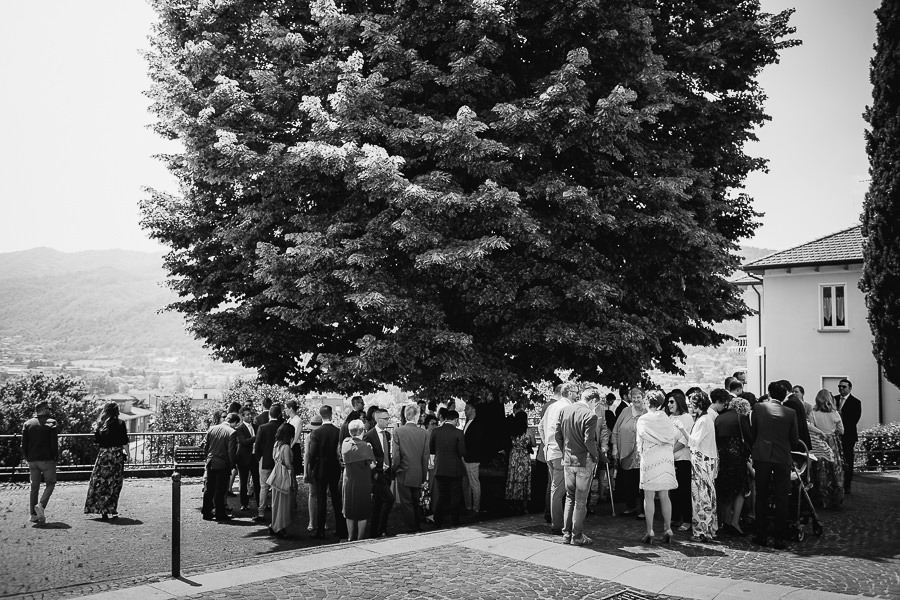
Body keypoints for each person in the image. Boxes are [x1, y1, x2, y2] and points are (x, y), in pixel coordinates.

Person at [749, 382, 799, 549]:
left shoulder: (759, 408)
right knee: (782, 497)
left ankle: (761, 535)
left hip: (762, 455)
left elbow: (753, 432)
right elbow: (794, 439)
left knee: (761, 495)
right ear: (784, 396)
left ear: (769, 393)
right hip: (782, 456)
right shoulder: (790, 413)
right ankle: (779, 538)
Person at [555, 389, 601, 546]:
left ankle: (566, 534)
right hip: (584, 460)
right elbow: (589, 441)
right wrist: (596, 456)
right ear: (593, 401)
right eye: (596, 404)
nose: (595, 407)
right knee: (581, 500)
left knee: (570, 497)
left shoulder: (564, 411)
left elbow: (557, 435)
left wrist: (565, 451)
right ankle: (577, 535)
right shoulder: (590, 415)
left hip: (568, 459)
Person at [674, 390, 718, 542]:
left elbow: (693, 442)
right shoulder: (706, 418)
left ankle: (702, 531)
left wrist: (681, 428)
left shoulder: (703, 420)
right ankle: (709, 528)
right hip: (707, 461)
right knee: (707, 496)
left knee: (700, 497)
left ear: (697, 404)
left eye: (691, 404)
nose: (690, 406)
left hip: (702, 462)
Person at [635, 390, 677, 544]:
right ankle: (668, 528)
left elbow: (640, 439)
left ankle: (650, 530)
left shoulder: (643, 419)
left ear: (647, 402)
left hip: (650, 457)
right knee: (665, 496)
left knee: (649, 496)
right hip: (665, 458)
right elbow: (672, 437)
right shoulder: (667, 419)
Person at [713, 389, 751, 537]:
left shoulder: (719, 418)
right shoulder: (741, 418)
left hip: (723, 458)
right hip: (737, 458)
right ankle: (735, 522)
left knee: (725, 491)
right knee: (740, 491)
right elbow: (749, 438)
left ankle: (725, 522)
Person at [540, 382, 577, 532]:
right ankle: (558, 524)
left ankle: (559, 522)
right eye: (576, 392)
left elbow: (541, 427)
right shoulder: (567, 408)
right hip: (560, 453)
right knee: (559, 490)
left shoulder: (552, 406)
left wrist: (546, 443)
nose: (577, 395)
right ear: (569, 393)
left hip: (550, 452)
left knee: (556, 488)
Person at [307, 405, 348, 539]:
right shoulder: (338, 431)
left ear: (321, 415)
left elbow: (312, 454)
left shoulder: (316, 433)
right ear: (331, 415)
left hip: (320, 469)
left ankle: (320, 530)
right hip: (334, 468)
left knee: (321, 500)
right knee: (336, 499)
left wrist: (313, 467)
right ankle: (341, 528)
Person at [84, 401, 130, 520]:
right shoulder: (120, 423)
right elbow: (124, 441)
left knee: (100, 482)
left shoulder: (100, 424)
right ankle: (110, 508)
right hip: (116, 455)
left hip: (103, 455)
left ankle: (99, 508)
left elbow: (97, 440)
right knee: (114, 482)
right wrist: (128, 453)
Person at [392, 404, 430, 532]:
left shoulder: (398, 431)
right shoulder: (424, 433)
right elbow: (425, 457)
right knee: (416, 501)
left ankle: (412, 528)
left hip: (403, 471)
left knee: (406, 502)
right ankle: (417, 525)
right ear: (417, 416)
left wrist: (395, 469)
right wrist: (423, 475)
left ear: (405, 415)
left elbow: (396, 456)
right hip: (418, 472)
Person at [611, 387, 647, 517]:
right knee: (628, 480)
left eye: (638, 397)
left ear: (643, 397)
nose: (636, 400)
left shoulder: (647, 412)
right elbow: (615, 430)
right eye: (634, 397)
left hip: (643, 453)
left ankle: (643, 510)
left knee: (642, 481)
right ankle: (631, 506)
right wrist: (615, 447)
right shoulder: (625, 411)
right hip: (626, 452)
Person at [22, 401, 58, 524]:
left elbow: (24, 444)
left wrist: (27, 457)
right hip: (47, 459)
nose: (50, 411)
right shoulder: (51, 423)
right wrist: (55, 457)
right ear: (44, 410)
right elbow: (54, 443)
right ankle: (41, 505)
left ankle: (33, 514)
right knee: (51, 483)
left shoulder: (27, 424)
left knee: (34, 487)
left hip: (32, 460)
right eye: (48, 409)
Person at [430, 409, 466, 527]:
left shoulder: (435, 431)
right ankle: (455, 520)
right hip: (455, 469)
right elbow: (462, 452)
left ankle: (438, 519)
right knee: (455, 496)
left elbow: (431, 449)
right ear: (456, 420)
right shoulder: (459, 433)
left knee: (441, 495)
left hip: (440, 467)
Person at [809, 389, 845, 508]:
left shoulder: (813, 413)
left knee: (819, 469)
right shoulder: (835, 413)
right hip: (832, 442)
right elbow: (841, 430)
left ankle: (820, 498)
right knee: (834, 469)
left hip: (819, 442)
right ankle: (835, 498)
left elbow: (811, 427)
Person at [341, 419, 375, 541]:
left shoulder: (345, 443)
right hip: (362, 480)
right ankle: (360, 538)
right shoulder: (366, 446)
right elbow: (372, 465)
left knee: (349, 510)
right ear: (362, 431)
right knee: (362, 511)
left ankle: (350, 537)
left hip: (349, 480)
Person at [202, 412, 239, 521]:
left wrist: (207, 457)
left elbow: (205, 446)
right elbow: (231, 451)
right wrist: (233, 464)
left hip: (211, 461)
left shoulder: (212, 428)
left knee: (209, 488)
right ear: (234, 422)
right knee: (220, 489)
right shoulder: (232, 432)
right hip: (223, 463)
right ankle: (220, 513)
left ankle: (206, 512)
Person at [365, 407, 395, 537]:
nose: (388, 421)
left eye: (388, 418)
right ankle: (380, 529)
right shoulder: (369, 435)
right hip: (377, 474)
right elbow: (368, 456)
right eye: (386, 418)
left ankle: (376, 531)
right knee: (389, 499)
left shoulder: (387, 435)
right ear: (378, 419)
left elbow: (386, 453)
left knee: (379, 503)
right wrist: (376, 470)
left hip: (387, 473)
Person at [254, 403, 284, 524]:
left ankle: (261, 512)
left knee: (264, 487)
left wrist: (259, 458)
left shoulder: (263, 427)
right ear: (279, 414)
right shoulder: (283, 427)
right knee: (278, 488)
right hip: (279, 461)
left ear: (269, 414)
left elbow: (257, 445)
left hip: (265, 460)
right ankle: (277, 512)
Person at [505, 401, 534, 513]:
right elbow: (533, 444)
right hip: (524, 456)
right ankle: (524, 503)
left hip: (514, 455)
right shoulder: (528, 431)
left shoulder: (512, 430)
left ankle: (513, 501)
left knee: (513, 477)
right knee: (524, 479)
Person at [835, 379, 861, 494]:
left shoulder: (855, 402)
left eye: (844, 387)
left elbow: (854, 420)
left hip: (848, 436)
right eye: (839, 386)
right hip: (834, 436)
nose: (841, 388)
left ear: (850, 388)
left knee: (848, 460)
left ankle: (847, 485)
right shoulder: (834, 399)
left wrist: (840, 417)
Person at [269, 422, 295, 538]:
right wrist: (292, 478)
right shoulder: (286, 447)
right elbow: (288, 464)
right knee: (284, 503)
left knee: (276, 502)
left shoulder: (276, 444)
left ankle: (274, 525)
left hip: (276, 474)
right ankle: (280, 527)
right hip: (284, 475)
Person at [462, 401, 486, 515]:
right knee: (467, 483)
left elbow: (476, 443)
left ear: (473, 410)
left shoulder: (477, 424)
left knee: (474, 484)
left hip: (472, 458)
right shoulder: (468, 422)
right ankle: (468, 506)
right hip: (466, 457)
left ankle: (476, 507)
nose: (465, 411)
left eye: (467, 409)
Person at [235, 405, 260, 512]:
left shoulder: (256, 427)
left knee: (257, 482)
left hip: (255, 457)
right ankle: (244, 504)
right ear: (242, 416)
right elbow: (244, 442)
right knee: (243, 482)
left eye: (251, 414)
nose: (250, 416)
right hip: (244, 458)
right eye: (247, 415)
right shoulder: (239, 429)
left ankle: (260, 503)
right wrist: (256, 437)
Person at [303, 414, 323, 530]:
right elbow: (306, 455)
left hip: (313, 466)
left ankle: (313, 521)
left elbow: (306, 455)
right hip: (319, 466)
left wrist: (305, 471)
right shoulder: (310, 437)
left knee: (313, 494)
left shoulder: (309, 436)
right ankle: (317, 521)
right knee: (318, 494)